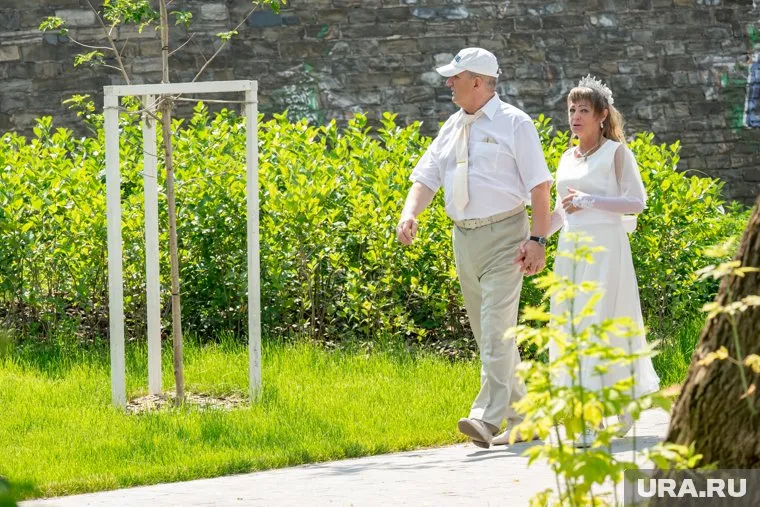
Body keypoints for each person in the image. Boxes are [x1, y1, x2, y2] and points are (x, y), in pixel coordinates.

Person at [395, 47, 552, 449]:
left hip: (507, 237)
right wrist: (410, 213)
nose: (449, 83)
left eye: (456, 77)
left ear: (478, 82)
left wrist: (538, 240)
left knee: (497, 330)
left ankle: (486, 417)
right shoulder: (452, 126)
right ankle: (525, 419)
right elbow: (427, 177)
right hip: (464, 239)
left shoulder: (515, 123)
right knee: (489, 334)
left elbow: (539, 185)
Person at [542, 75, 660, 447]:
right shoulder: (566, 157)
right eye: (571, 110)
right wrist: (536, 239)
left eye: (583, 110)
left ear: (602, 115)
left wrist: (591, 201)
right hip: (571, 251)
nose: (575, 117)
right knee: (571, 328)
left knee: (600, 325)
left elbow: (636, 202)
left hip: (606, 250)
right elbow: (562, 211)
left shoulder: (616, 153)